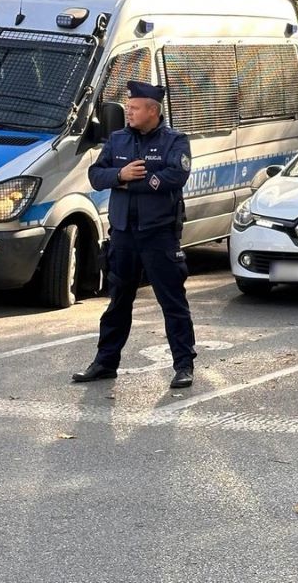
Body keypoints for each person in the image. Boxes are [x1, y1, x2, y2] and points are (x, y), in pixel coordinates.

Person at [72, 81, 197, 388]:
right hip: (124, 235)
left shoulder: (175, 141)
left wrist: (133, 182)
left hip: (159, 235)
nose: (128, 112)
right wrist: (119, 175)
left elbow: (175, 176)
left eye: (135, 108)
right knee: (117, 303)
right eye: (128, 107)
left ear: (152, 111)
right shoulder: (117, 140)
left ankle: (183, 365)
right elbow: (95, 175)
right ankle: (105, 363)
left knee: (172, 302)